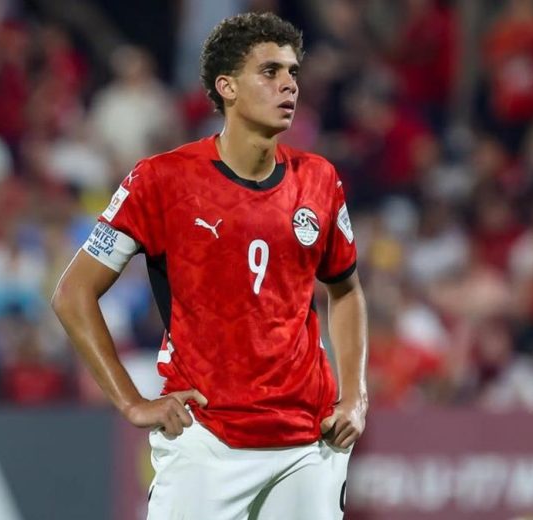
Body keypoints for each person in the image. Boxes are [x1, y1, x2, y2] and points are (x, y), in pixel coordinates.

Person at [52, 12, 368, 520]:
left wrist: (355, 397)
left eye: (292, 72)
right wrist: (132, 401)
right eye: (270, 71)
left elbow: (346, 290)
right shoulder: (161, 180)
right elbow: (73, 293)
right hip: (206, 440)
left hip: (307, 443)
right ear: (227, 87)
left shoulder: (319, 180)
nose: (289, 84)